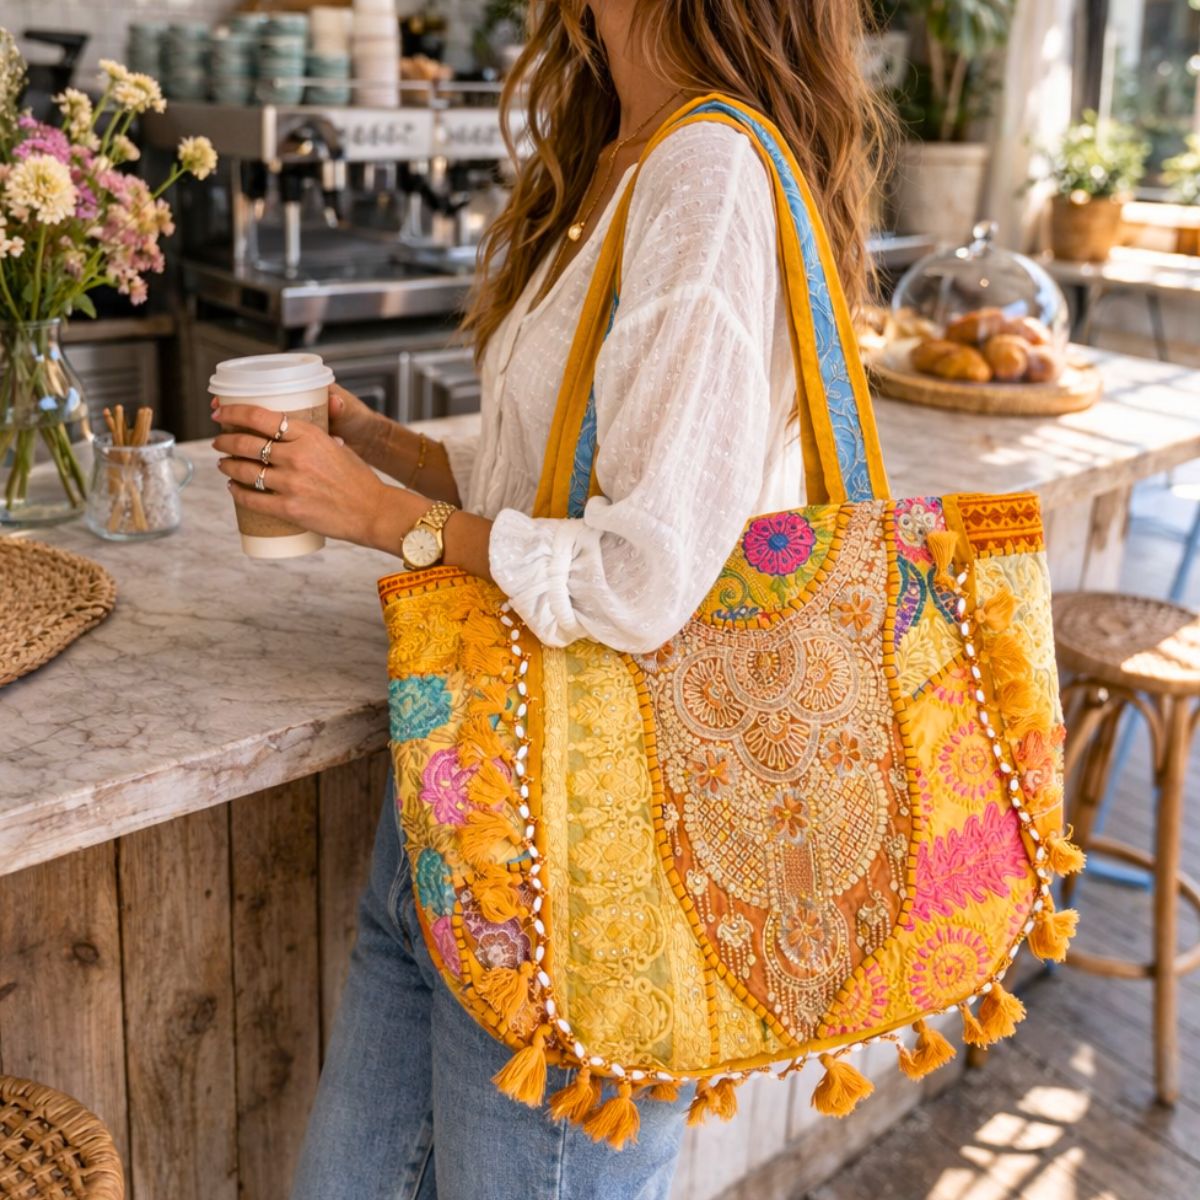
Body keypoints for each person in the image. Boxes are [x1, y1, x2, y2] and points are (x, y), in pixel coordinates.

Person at [211, 2, 889, 1196]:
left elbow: (641, 573)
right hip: (466, 785)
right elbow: (560, 480)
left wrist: (380, 521)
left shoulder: (709, 173)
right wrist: (375, 447)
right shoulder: (633, 155)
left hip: (591, 855)